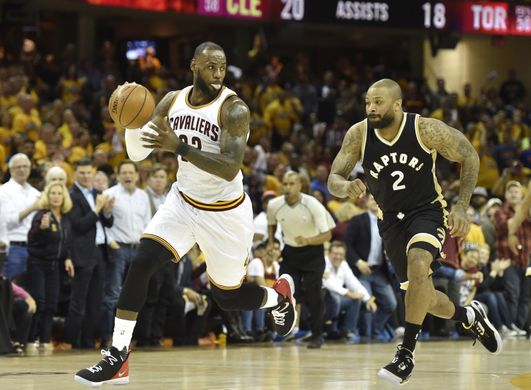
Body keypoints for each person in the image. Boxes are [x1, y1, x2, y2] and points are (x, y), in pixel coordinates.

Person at [75, 41, 296, 387]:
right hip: (182, 202)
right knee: (142, 262)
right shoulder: (171, 101)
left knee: (228, 297)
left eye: (222, 68)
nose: (218, 74)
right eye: (211, 67)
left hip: (225, 212)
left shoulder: (233, 109)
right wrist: (130, 123)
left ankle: (278, 298)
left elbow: (229, 167)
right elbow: (138, 152)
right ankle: (117, 356)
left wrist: (179, 147)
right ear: (194, 65)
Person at [328, 79, 502, 385]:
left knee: (419, 263)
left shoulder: (425, 129)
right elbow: (334, 177)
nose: (371, 108)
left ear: (397, 104)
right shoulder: (359, 134)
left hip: (427, 211)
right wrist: (344, 186)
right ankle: (470, 316)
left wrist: (461, 206)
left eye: (378, 102)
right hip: (391, 222)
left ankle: (405, 354)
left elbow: (469, 155)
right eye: (368, 102)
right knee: (426, 298)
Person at [267, 171, 336, 349]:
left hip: (313, 252)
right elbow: (271, 223)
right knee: (285, 290)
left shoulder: (312, 204)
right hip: (290, 252)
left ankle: (317, 334)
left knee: (314, 295)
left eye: (291, 184)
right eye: (285, 183)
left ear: (300, 186)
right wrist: (271, 242)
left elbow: (327, 234)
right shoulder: (274, 205)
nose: (287, 187)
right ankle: (282, 330)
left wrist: (308, 240)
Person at [27, 182, 75, 350]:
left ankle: (45, 341)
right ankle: (31, 340)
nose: (56, 196)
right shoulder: (42, 215)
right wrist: (42, 229)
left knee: (51, 304)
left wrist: (67, 258)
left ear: (64, 197)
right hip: (38, 264)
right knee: (39, 302)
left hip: (55, 266)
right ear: (47, 196)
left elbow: (66, 243)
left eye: (59, 193)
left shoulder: (65, 219)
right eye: (52, 193)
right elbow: (32, 239)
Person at [0, 154, 41, 278]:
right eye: (18, 167)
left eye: (25, 166)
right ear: (11, 170)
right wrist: (31, 208)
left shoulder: (36, 193)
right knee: (13, 291)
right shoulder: (4, 192)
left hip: (36, 248)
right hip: (15, 247)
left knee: (33, 292)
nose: (22, 170)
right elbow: (8, 221)